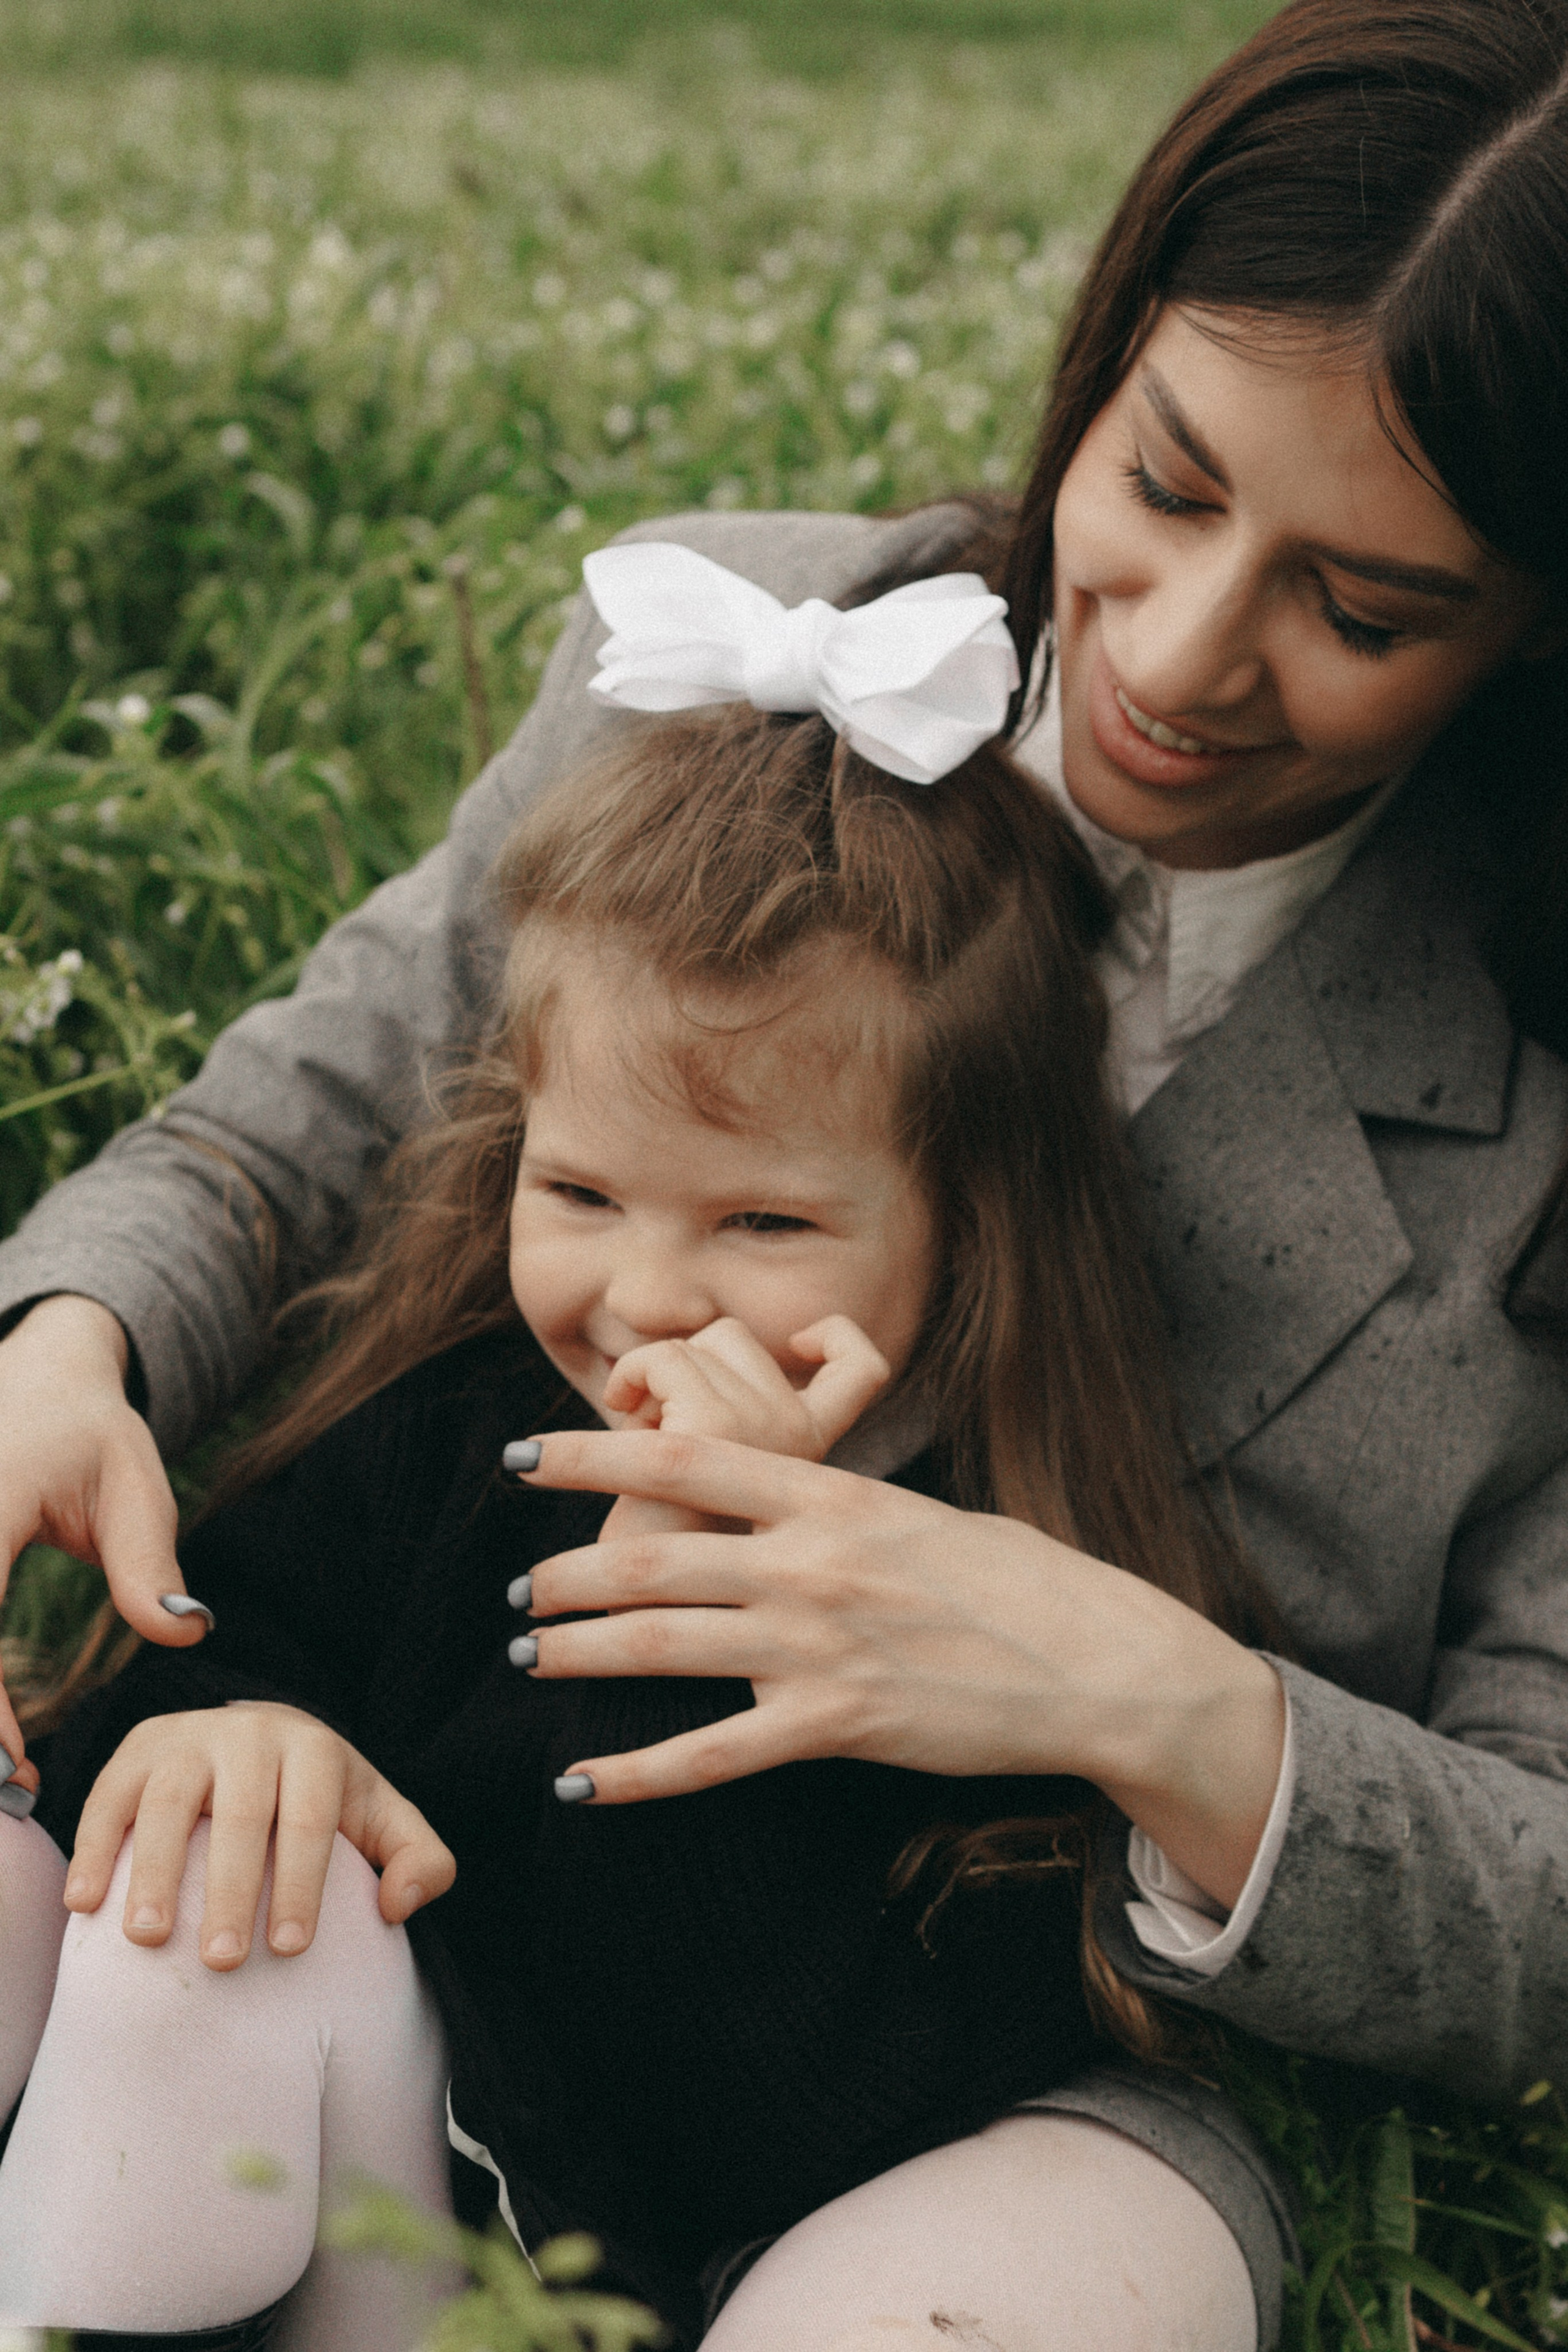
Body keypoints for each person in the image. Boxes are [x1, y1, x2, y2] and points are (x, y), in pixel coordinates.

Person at [3, 0, 1568, 2343]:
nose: (1180, 654)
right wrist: (72, 1336)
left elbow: (1539, 1916)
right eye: (1160, 479)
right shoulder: (739, 656)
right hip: (461, 1849)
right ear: (1106, 350)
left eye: (1364, 611)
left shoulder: (1529, 1078)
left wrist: (1146, 1691)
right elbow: (290, 1124)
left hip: (1025, 2050)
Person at [0, 586, 1267, 2346]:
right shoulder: (474, 1424)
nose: (647, 1295)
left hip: (581, 2274)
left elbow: (760, 2124)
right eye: (581, 1193)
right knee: (190, 1881)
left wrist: (692, 1595)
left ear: (969, 1232)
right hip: (323, 2148)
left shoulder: (1007, 1605)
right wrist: (230, 1732)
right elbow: (180, 1676)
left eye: (763, 1221)